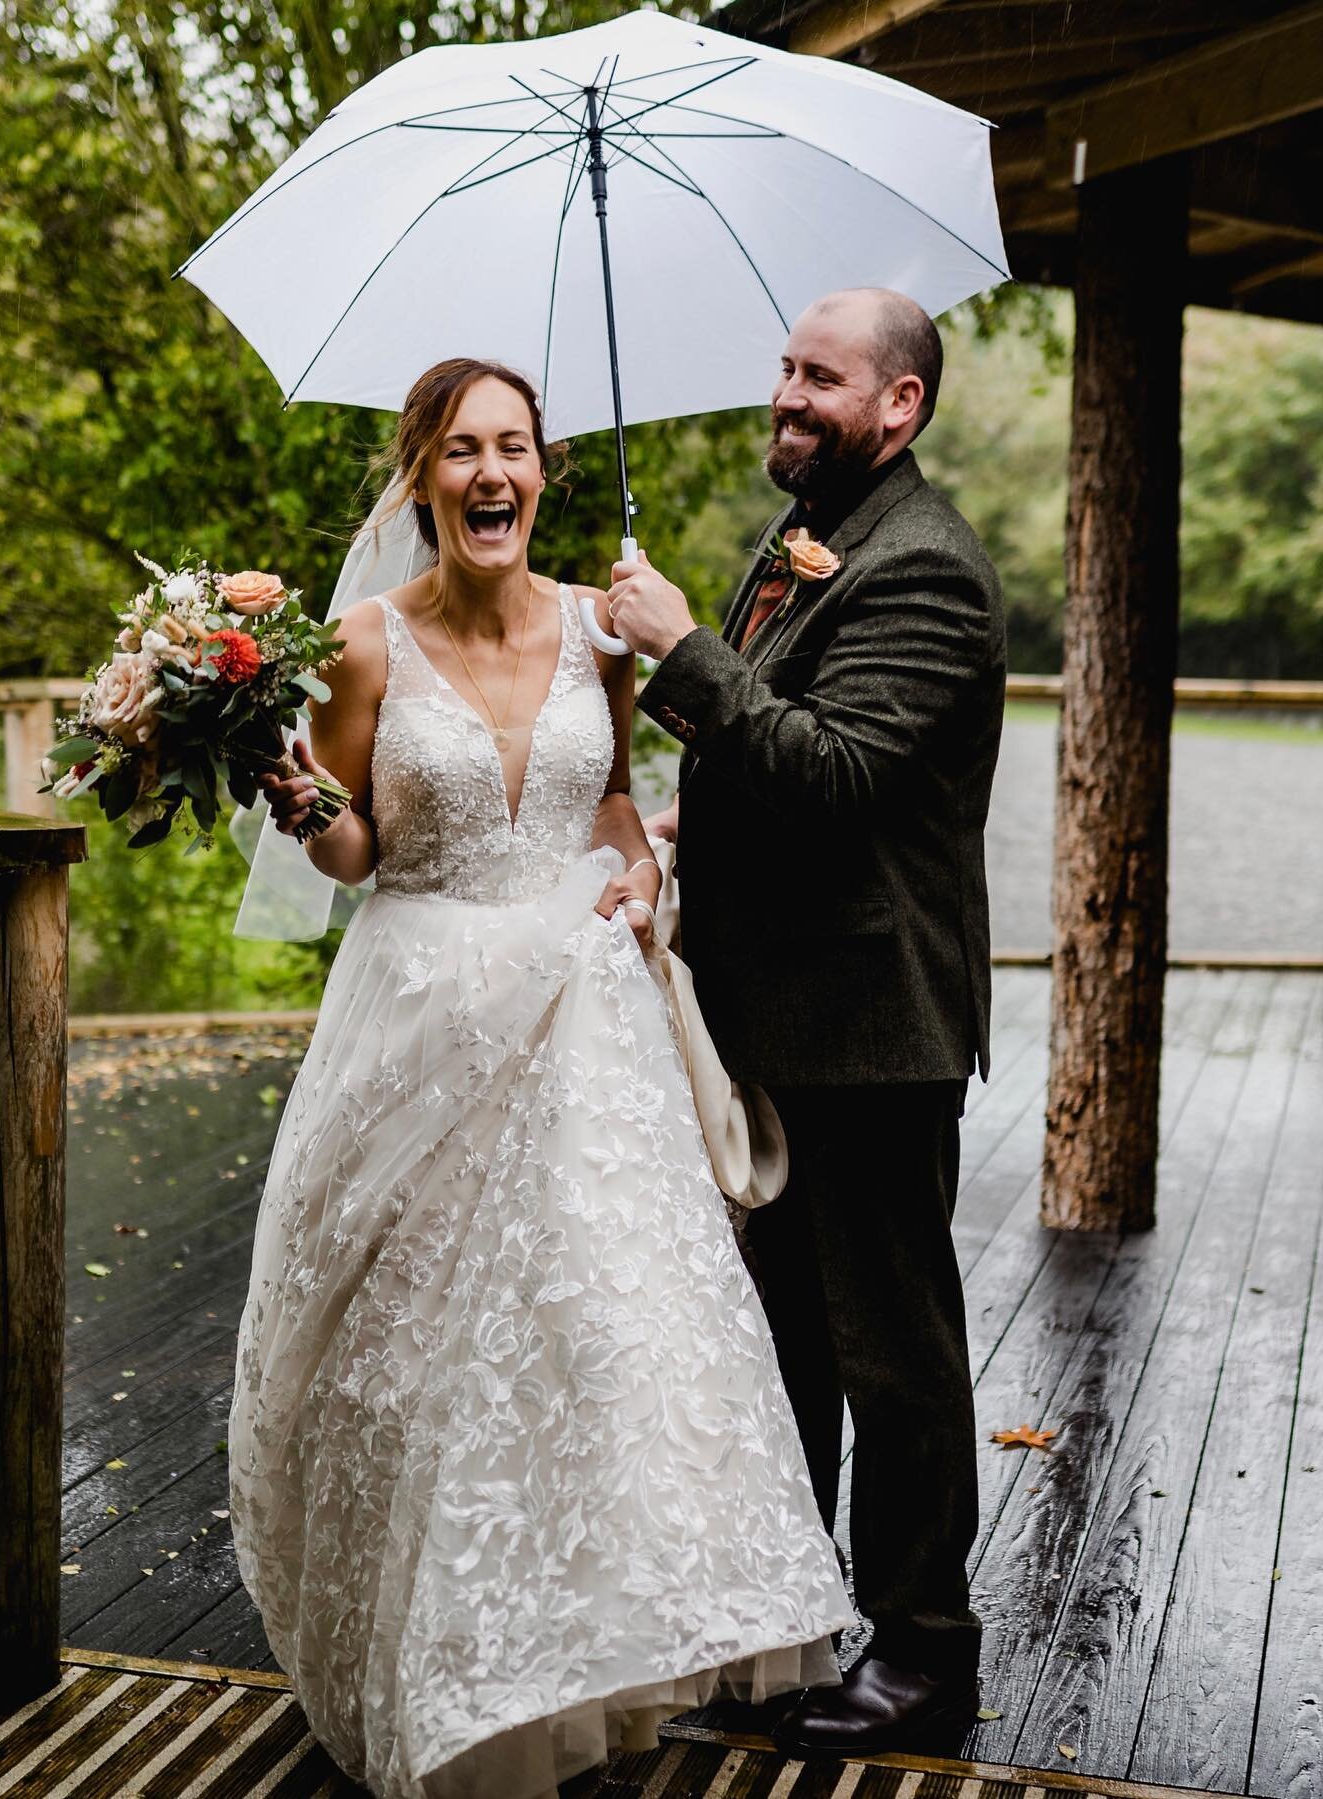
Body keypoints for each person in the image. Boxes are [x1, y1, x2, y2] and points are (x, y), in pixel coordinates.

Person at [236, 356, 850, 1798]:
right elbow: (354, 851)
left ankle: (584, 1659)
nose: (490, 474)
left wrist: (634, 874)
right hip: (420, 1011)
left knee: (596, 1340)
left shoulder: (601, 626)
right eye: (461, 452)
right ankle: (425, 1665)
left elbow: (619, 796)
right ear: (423, 479)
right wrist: (299, 800)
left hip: (583, 1025)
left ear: (542, 474)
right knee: (411, 1342)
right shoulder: (364, 643)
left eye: (513, 447)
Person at [606, 288, 1005, 1755]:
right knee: (782, 1343)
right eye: (782, 365)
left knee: (892, 1350)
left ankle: (924, 1655)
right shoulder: (805, 534)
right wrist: (682, 814)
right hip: (774, 1010)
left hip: (872, 1017)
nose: (787, 392)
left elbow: (837, 775)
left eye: (818, 375)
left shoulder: (930, 569)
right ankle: (788, 1628)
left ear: (897, 404)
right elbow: (769, 748)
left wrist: (672, 644)